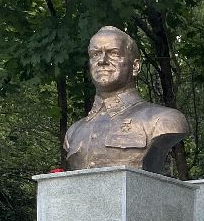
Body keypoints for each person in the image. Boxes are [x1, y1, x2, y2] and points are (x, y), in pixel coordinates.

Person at [64, 26, 190, 176]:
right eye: (95, 54)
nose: (102, 61)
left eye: (114, 53)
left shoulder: (164, 120)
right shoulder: (73, 132)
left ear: (135, 66)